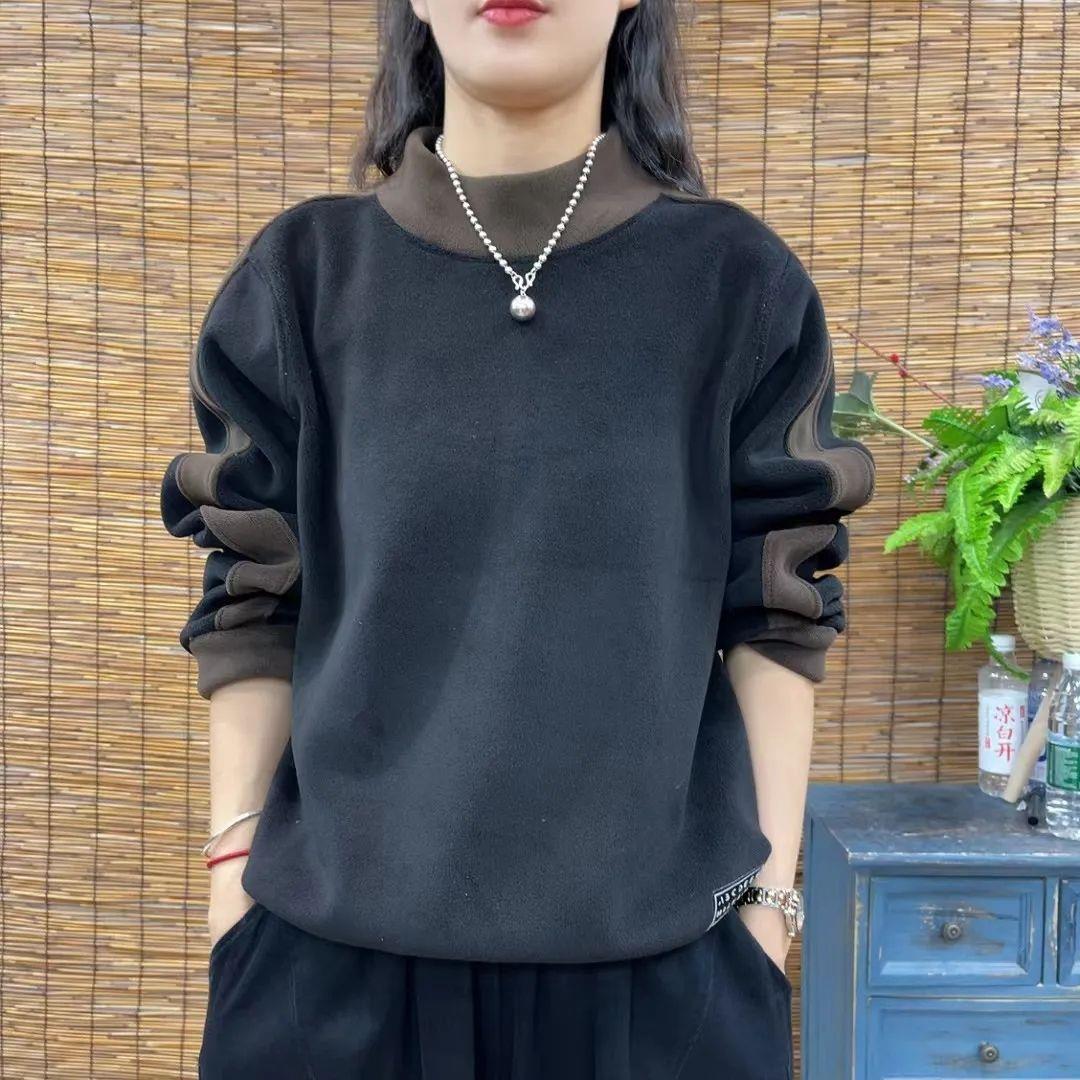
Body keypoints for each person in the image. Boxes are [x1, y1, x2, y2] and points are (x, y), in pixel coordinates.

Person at [158, 0, 876, 1076]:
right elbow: (254, 596)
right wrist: (233, 872)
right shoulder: (303, 278)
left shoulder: (738, 285)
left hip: (663, 979)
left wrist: (768, 909)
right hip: (329, 974)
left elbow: (779, 607)